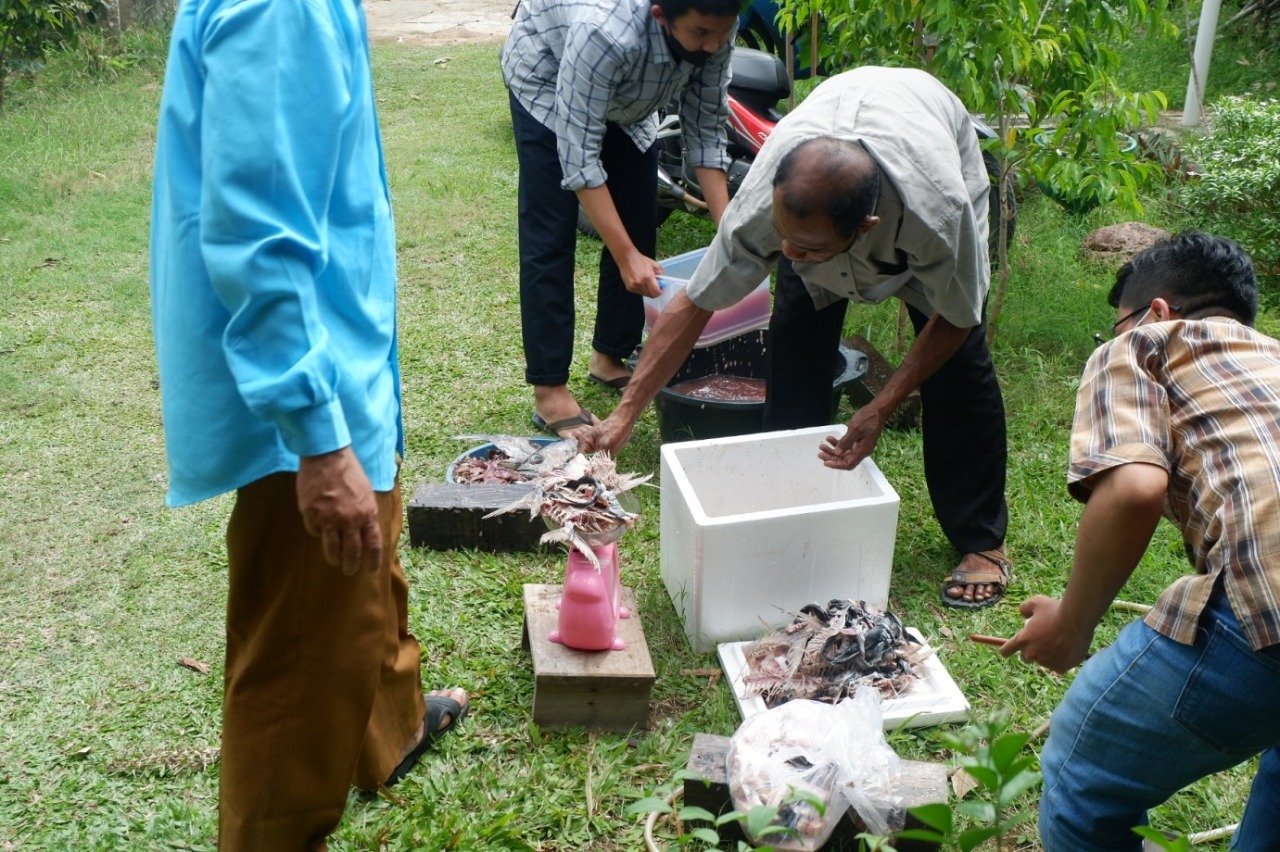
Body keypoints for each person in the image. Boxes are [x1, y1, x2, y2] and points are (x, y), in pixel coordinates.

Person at [149, 1, 466, 847]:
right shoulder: (282, 8)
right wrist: (320, 442)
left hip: (343, 357)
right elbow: (257, 234)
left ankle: (391, 731)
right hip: (306, 392)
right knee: (303, 652)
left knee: (371, 575)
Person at [582, 66, 1011, 607]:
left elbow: (958, 316)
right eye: (783, 240)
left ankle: (980, 542)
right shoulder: (769, 206)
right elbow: (695, 304)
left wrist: (880, 405)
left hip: (926, 139)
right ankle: (788, 510)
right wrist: (626, 413)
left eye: (805, 248)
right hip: (827, 182)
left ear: (865, 229)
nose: (788, 256)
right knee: (794, 351)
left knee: (959, 373)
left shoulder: (939, 213)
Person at [998, 232, 1280, 851]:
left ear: (1155, 311)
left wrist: (1070, 625)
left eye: (1115, 325)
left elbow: (1131, 489)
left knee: (1084, 781)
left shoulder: (1149, 344)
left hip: (1271, 606)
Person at [500, 0, 739, 440]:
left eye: (720, 35)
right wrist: (625, 255)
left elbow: (706, 131)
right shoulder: (604, 31)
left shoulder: (716, 25)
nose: (714, 45)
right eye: (701, 34)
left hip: (630, 98)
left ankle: (609, 356)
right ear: (660, 15)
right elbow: (579, 159)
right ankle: (550, 388)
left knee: (638, 219)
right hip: (547, 78)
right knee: (550, 237)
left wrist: (731, 238)